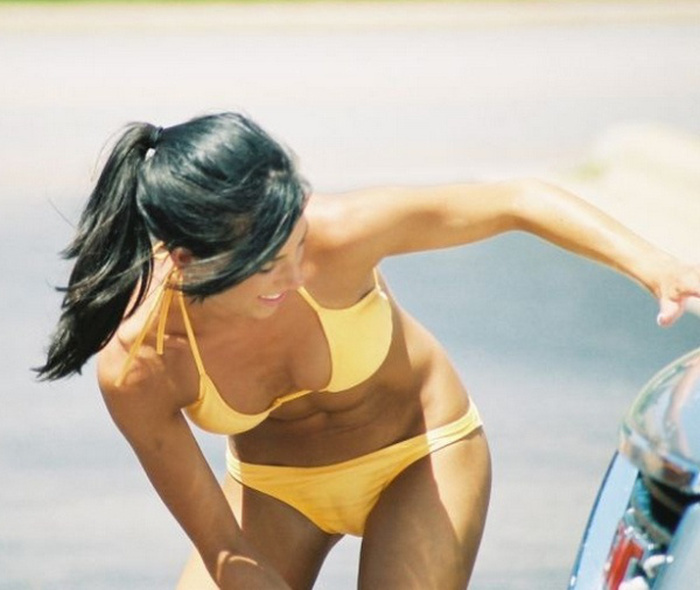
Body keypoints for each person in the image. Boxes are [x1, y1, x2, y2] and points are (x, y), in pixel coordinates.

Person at [36, 111, 700, 589]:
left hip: (421, 457)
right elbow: (225, 553)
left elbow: (516, 201)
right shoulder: (141, 366)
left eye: (297, 242)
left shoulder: (338, 234)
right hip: (274, 491)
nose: (297, 274)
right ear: (187, 261)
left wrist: (655, 265)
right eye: (270, 266)